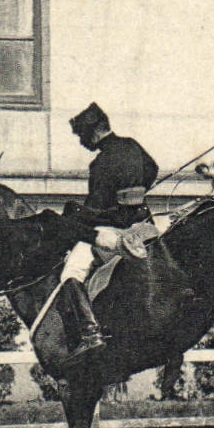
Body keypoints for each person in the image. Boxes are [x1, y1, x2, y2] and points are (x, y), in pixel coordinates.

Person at [57, 102, 159, 366]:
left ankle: (91, 334)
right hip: (144, 223)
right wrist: (137, 191)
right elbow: (153, 169)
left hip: (117, 229)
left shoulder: (100, 163)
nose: (82, 142)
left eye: (82, 136)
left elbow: (96, 211)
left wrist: (73, 217)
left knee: (72, 271)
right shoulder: (133, 145)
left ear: (93, 132)